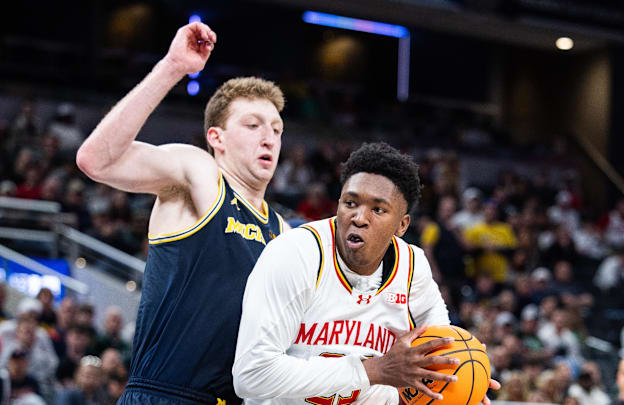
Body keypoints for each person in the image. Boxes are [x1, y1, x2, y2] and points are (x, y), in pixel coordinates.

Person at [76, 22, 285, 405]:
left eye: (276, 128)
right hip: (165, 395)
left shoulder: (282, 230)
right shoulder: (200, 173)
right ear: (216, 138)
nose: (268, 137)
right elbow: (95, 159)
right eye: (253, 125)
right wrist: (172, 66)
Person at [233, 143, 499, 404]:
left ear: (402, 225)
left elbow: (440, 347)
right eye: (350, 203)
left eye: (378, 209)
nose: (359, 217)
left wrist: (462, 379)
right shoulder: (295, 254)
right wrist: (373, 371)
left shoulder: (412, 266)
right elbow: (251, 374)